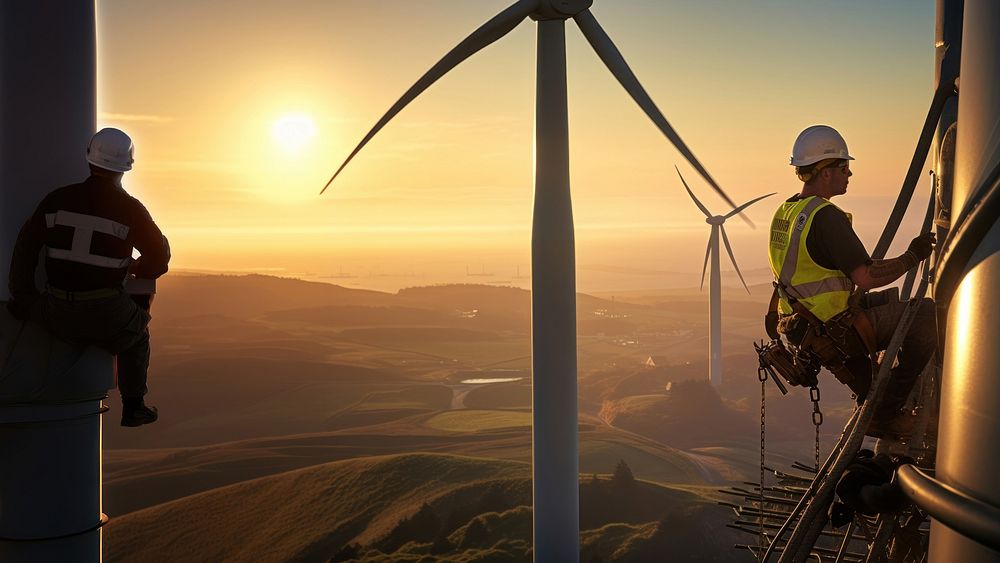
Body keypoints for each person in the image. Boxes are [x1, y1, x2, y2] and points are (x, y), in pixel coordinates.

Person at [767, 125, 937, 438]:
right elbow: (866, 276)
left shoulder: (787, 211)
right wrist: (913, 256)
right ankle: (884, 413)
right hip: (832, 330)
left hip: (804, 327)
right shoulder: (825, 217)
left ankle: (877, 394)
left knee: (892, 299)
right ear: (825, 172)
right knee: (927, 316)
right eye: (845, 167)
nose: (850, 174)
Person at [7, 127, 170, 427]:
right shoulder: (131, 209)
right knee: (137, 333)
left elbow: (26, 244)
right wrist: (138, 269)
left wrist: (24, 297)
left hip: (55, 312)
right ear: (127, 166)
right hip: (106, 313)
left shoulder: (57, 198)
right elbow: (159, 259)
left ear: (88, 157)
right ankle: (134, 405)